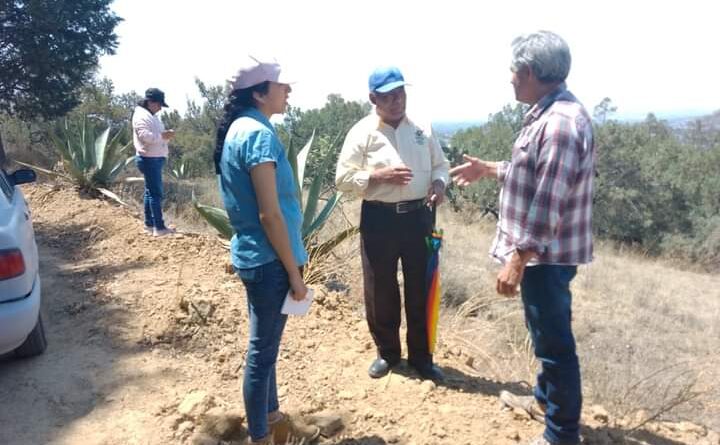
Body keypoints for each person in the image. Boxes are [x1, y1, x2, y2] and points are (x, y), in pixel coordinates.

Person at [450, 31, 594, 445]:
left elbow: (548, 201)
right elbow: (533, 171)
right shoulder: (547, 113)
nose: (510, 78)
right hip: (542, 255)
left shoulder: (560, 123)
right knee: (544, 332)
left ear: (529, 72)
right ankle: (545, 402)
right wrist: (490, 169)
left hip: (544, 257)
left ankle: (561, 434)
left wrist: (518, 259)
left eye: (514, 70)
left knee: (554, 343)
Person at [215, 56, 320, 445]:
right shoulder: (258, 135)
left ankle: (272, 416)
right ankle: (260, 436)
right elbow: (270, 214)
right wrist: (294, 272)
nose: (288, 90)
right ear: (259, 94)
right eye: (281, 85)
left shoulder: (239, 129)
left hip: (253, 257)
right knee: (261, 355)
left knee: (266, 348)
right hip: (271, 260)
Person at [335, 66, 450, 381]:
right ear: (374, 99)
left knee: (421, 286)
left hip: (420, 217)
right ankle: (387, 353)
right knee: (380, 287)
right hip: (379, 218)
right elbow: (342, 179)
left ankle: (422, 358)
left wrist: (439, 184)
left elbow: (441, 165)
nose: (397, 100)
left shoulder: (422, 128)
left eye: (400, 93)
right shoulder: (361, 132)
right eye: (388, 96)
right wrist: (376, 176)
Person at [132, 88, 175, 237]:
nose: (160, 108)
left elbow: (153, 135)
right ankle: (159, 227)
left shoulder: (149, 115)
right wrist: (163, 136)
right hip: (149, 159)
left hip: (153, 158)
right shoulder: (141, 116)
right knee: (155, 193)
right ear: (150, 102)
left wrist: (165, 136)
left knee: (150, 191)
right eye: (159, 104)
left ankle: (150, 224)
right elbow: (145, 136)